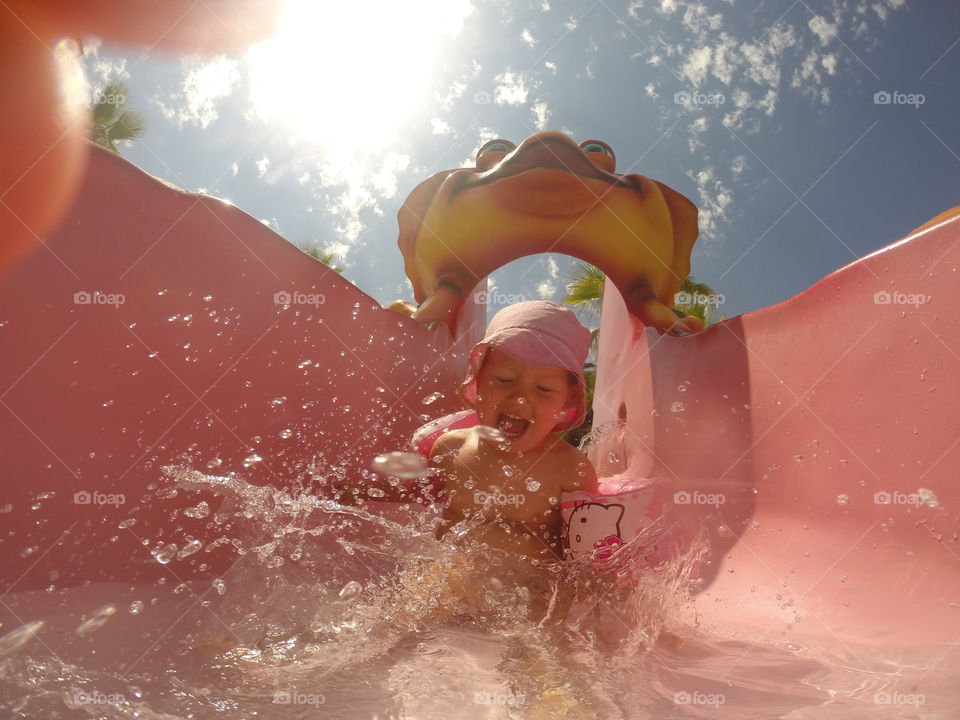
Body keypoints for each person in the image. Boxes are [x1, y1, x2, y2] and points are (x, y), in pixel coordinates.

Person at [369, 301, 598, 562]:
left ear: (566, 404)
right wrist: (351, 493)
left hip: (530, 593)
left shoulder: (570, 469)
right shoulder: (449, 448)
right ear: (477, 383)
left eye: (544, 388)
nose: (520, 398)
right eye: (504, 379)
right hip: (446, 589)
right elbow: (411, 501)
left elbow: (589, 554)